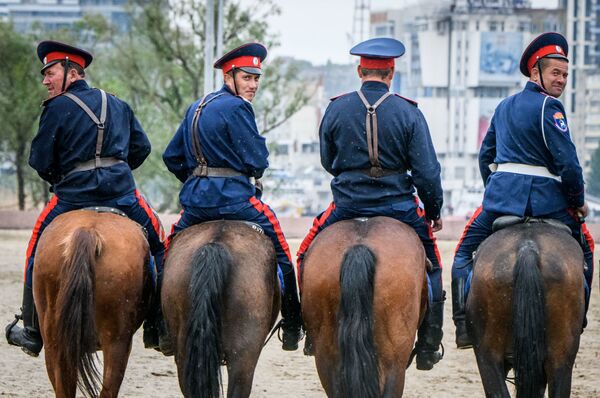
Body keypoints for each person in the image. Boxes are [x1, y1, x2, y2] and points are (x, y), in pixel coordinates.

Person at [5, 41, 166, 356]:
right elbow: (142, 148)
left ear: (70, 71)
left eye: (50, 73)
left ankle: (33, 330)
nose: (45, 81)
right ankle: (159, 325)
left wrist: (62, 177)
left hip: (72, 197)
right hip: (122, 195)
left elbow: (39, 160)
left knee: (36, 245)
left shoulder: (56, 108)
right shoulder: (118, 104)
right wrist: (115, 171)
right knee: (160, 244)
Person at [296, 37, 445, 371]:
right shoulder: (408, 111)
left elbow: (327, 160)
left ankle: (308, 328)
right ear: (390, 72)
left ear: (360, 70)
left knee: (305, 255)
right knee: (433, 265)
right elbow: (427, 171)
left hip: (347, 205)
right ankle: (429, 343)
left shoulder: (336, 107)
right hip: (398, 207)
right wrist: (433, 211)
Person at [451, 32, 595, 349]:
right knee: (585, 250)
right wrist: (578, 202)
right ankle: (578, 320)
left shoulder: (502, 107)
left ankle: (463, 325)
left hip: (501, 204)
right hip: (548, 205)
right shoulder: (551, 108)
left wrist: (496, 189)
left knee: (462, 254)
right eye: (556, 73)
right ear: (535, 72)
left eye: (565, 75)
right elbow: (568, 164)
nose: (561, 80)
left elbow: (485, 156)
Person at [162, 42, 303, 351]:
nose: (252, 85)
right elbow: (257, 161)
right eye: (247, 78)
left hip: (196, 205)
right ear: (229, 76)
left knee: (167, 253)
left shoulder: (195, 106)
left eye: (256, 78)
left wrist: (198, 178)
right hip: (237, 201)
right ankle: (293, 324)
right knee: (282, 251)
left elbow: (172, 156)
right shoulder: (238, 108)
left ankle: (159, 325)